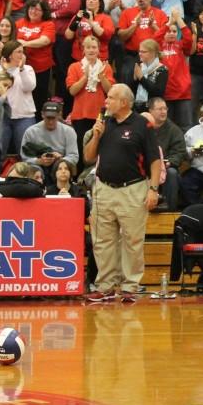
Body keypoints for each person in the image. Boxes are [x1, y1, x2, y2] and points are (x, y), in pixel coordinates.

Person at [83, 84, 161, 303]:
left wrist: (153, 189)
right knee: (101, 240)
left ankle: (129, 286)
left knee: (132, 240)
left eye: (111, 98)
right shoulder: (104, 123)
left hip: (133, 188)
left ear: (124, 102)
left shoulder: (142, 124)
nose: (106, 101)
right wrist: (96, 136)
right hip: (103, 188)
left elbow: (154, 159)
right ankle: (105, 286)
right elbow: (89, 157)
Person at [66, 35, 114, 163]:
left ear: (99, 50)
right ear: (83, 50)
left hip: (99, 113)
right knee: (80, 147)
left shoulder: (105, 67)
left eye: (94, 47)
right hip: (80, 113)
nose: (91, 50)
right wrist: (85, 76)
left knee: (99, 146)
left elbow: (110, 91)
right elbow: (72, 91)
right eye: (88, 47)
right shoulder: (74, 67)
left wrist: (102, 77)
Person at [20, 99, 79, 175]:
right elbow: (24, 157)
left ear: (59, 115)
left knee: (62, 169)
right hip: (38, 165)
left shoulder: (69, 131)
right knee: (34, 170)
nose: (50, 122)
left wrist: (60, 160)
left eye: (53, 118)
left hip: (60, 165)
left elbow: (74, 156)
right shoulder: (31, 131)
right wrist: (39, 161)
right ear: (42, 115)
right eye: (48, 118)